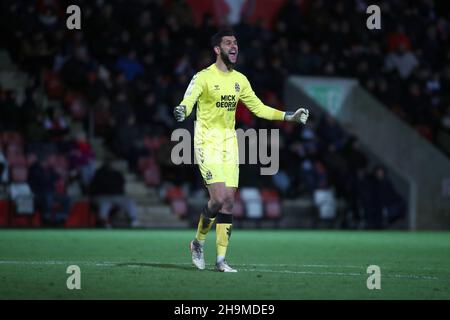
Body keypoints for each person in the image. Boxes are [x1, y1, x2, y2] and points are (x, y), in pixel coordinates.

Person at [173, 29, 309, 272]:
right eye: (228, 43)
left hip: (229, 144)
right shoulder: (203, 77)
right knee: (217, 199)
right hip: (207, 141)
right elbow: (188, 100)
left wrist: (289, 116)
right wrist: (182, 110)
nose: (233, 46)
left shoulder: (240, 80)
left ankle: (221, 261)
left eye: (235, 43)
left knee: (228, 203)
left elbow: (259, 108)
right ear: (217, 49)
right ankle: (198, 242)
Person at [89, 157, 138, 228]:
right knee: (105, 204)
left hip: (117, 196)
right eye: (109, 163)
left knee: (130, 202)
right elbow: (95, 186)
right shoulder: (98, 173)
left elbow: (121, 184)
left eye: (112, 163)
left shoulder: (117, 174)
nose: (110, 165)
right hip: (102, 196)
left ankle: (133, 220)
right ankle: (103, 222)